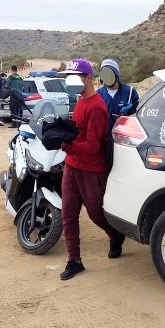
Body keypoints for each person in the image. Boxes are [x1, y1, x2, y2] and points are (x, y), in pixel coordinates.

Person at [58, 58, 126, 280]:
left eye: (75, 78)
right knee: (68, 215)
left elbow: (92, 146)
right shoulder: (79, 101)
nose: (71, 82)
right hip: (72, 167)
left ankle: (115, 235)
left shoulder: (97, 106)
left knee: (96, 214)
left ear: (88, 79)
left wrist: (65, 145)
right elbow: (78, 133)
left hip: (91, 170)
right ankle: (74, 260)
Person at [96, 59, 140, 166]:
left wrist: (129, 114)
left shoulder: (130, 92)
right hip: (104, 142)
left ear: (116, 75)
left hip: (125, 142)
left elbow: (140, 114)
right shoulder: (98, 94)